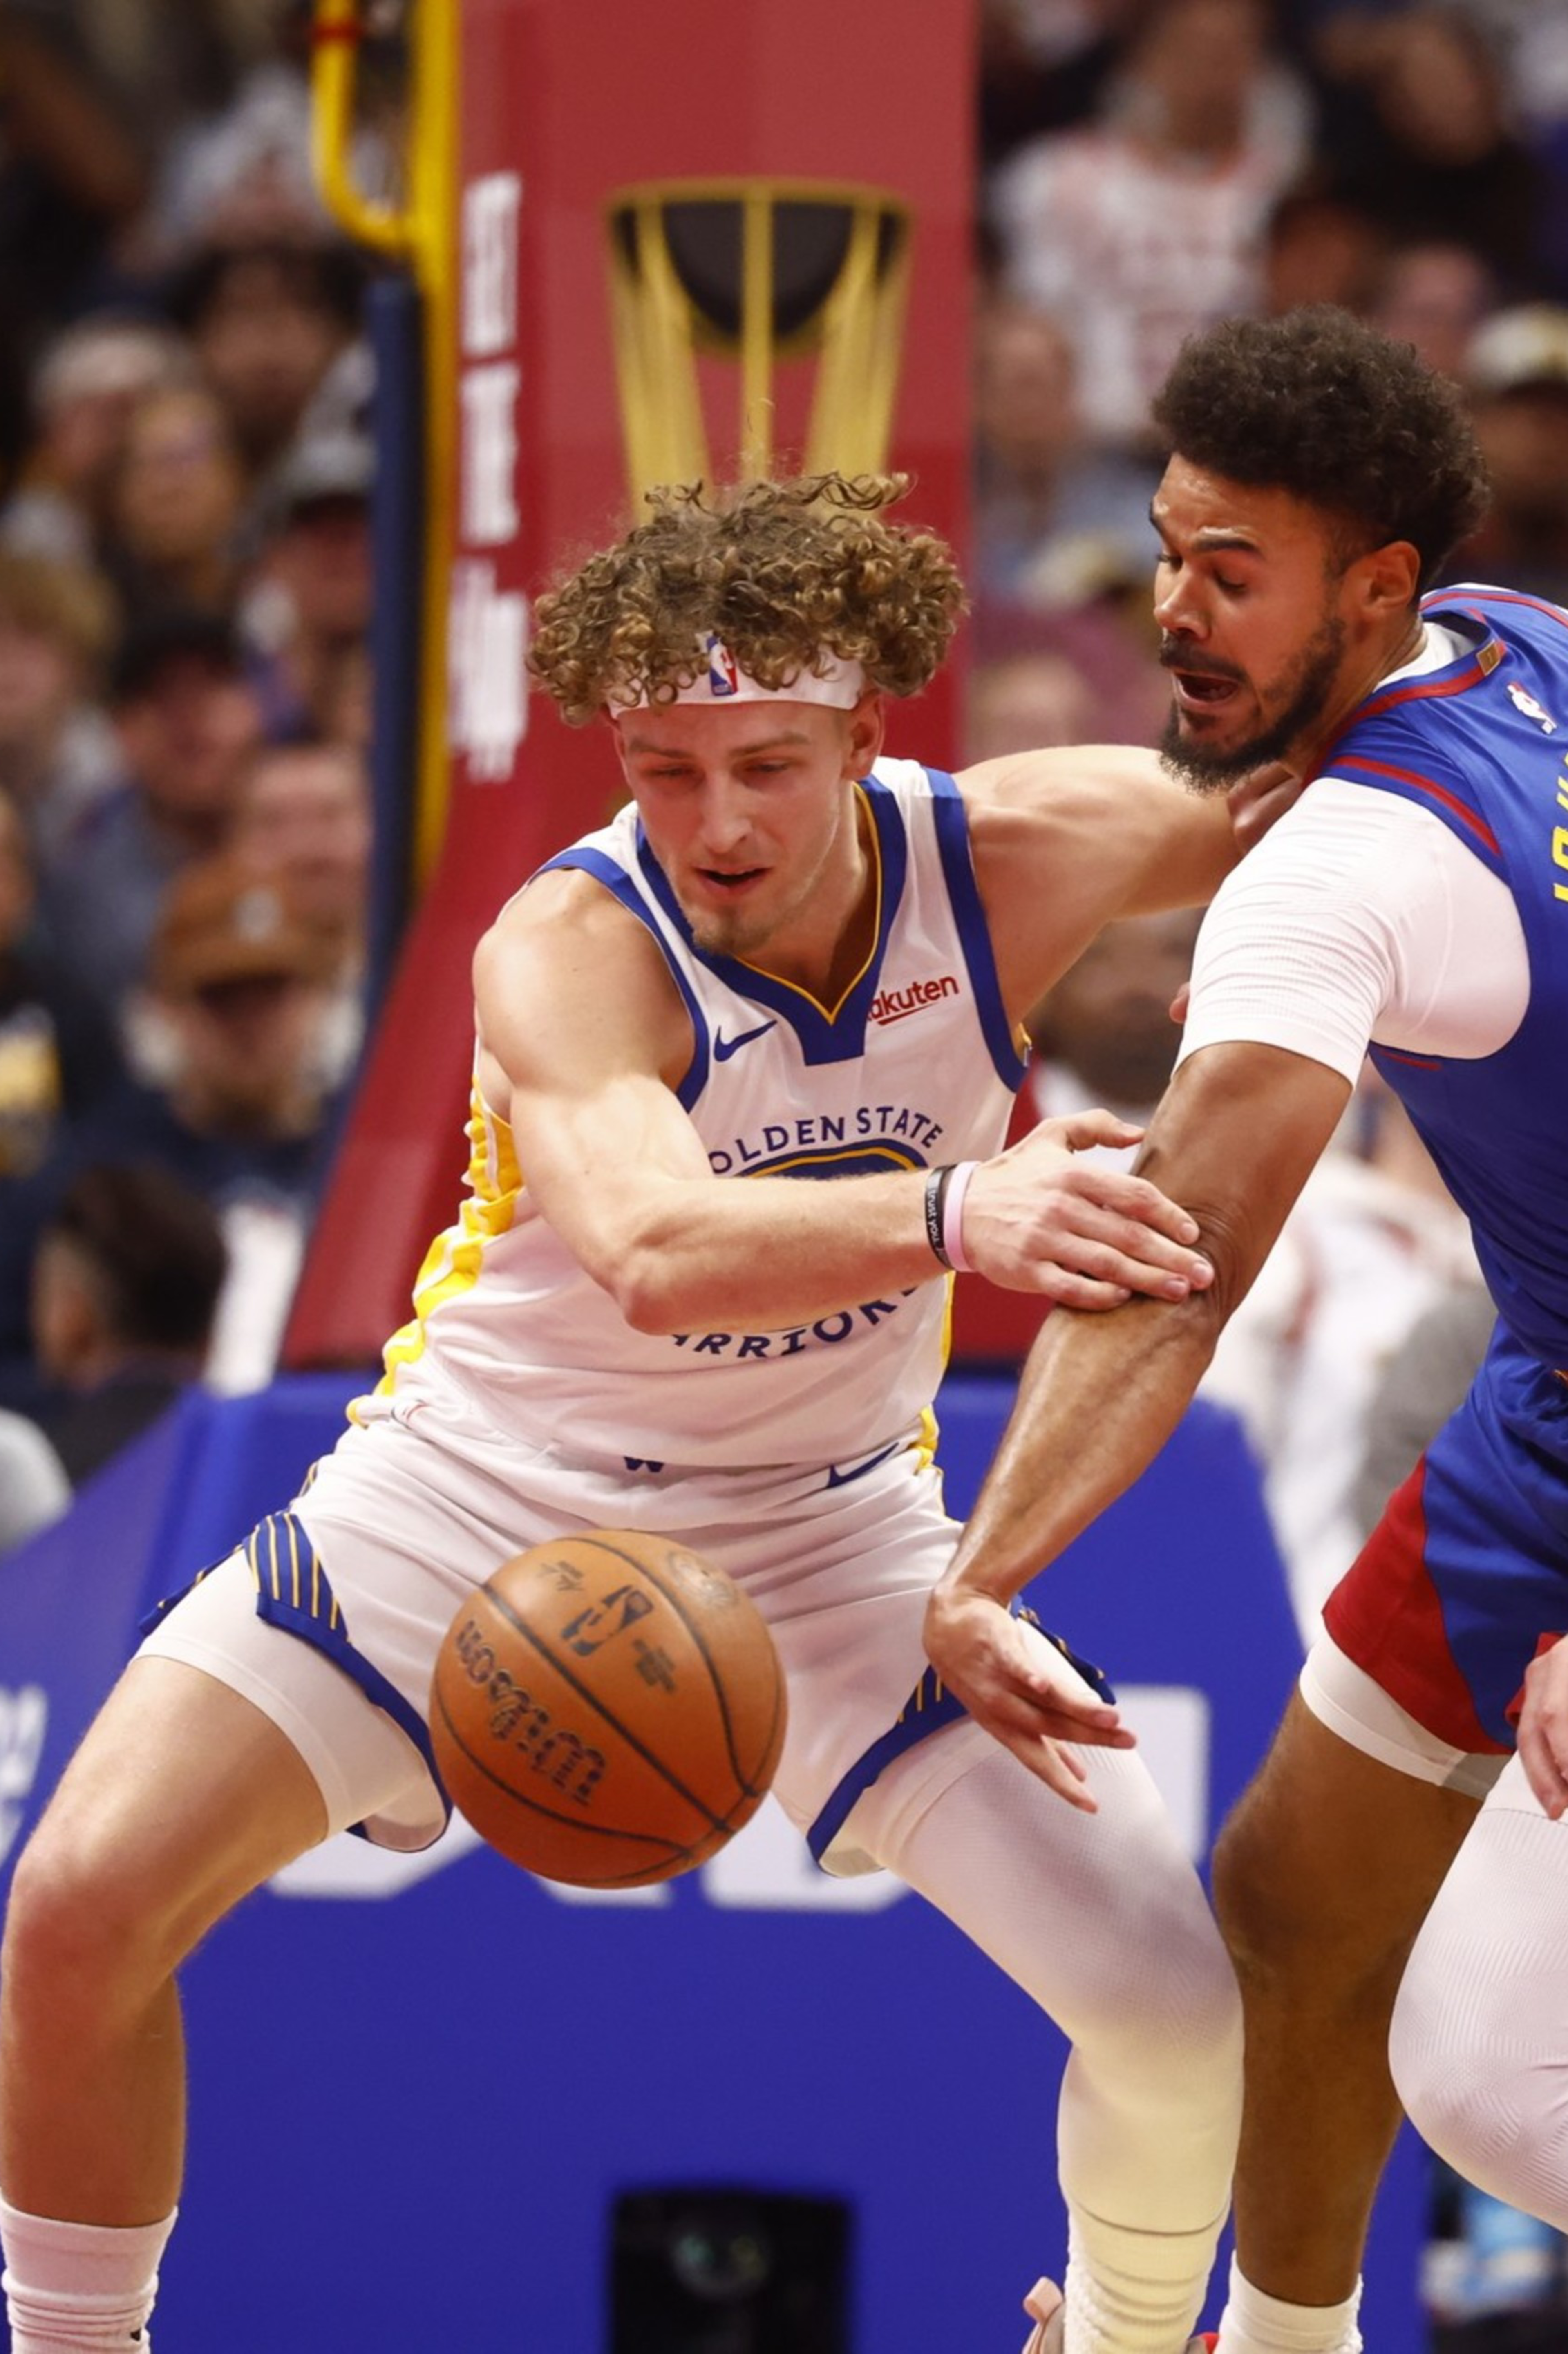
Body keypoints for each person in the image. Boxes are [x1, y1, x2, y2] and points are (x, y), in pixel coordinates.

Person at [0, 472, 1265, 2354]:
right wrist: (954, 1208)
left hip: (831, 1523)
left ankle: (1122, 2338)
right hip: (476, 1495)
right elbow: (659, 1244)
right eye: (664, 770)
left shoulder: (1020, 849)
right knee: (75, 1911)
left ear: (861, 733)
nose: (714, 821)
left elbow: (1344, 806)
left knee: (1174, 2008)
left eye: (763, 763)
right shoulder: (569, 945)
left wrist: (1464, 673)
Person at [921, 304, 1568, 2354]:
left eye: (1232, 574)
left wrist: (979, 1573)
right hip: (1544, 1389)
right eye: (1164, 550)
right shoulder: (1508, 636)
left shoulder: (1345, 868)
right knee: (1294, 1903)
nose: (1173, 611)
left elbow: (1170, 1257)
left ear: (1367, 590)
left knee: (1485, 2080)